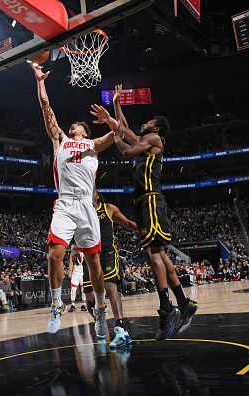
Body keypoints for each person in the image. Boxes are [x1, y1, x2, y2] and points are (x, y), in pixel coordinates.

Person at [92, 85, 198, 341]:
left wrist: (112, 132)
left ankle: (166, 310)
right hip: (146, 202)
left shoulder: (154, 140)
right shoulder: (146, 140)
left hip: (150, 201)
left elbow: (126, 148)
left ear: (157, 128)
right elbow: (125, 129)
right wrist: (115, 108)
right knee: (160, 253)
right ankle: (184, 303)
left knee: (152, 254)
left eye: (149, 121)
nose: (144, 123)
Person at [32, 65, 116, 336]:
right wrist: (40, 82)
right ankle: (57, 304)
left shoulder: (94, 145)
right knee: (54, 254)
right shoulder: (61, 140)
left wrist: (112, 113)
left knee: (94, 263)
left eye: (77, 126)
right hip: (66, 203)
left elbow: (121, 133)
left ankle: (100, 312)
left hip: (87, 207)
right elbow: (46, 109)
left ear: (86, 131)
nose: (72, 127)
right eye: (71, 126)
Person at [79, 192, 139, 348]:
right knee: (90, 299)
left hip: (107, 254)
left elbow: (127, 223)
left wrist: (146, 230)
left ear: (98, 195)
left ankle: (121, 330)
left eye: (92, 190)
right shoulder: (82, 211)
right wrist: (73, 247)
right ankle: (99, 321)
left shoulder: (109, 209)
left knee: (111, 288)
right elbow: (74, 230)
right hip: (89, 254)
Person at [67, 244, 86, 313]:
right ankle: (73, 305)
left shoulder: (83, 253)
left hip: (82, 273)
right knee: (73, 289)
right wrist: (70, 272)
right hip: (75, 274)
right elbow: (71, 263)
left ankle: (84, 304)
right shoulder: (72, 255)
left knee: (83, 289)